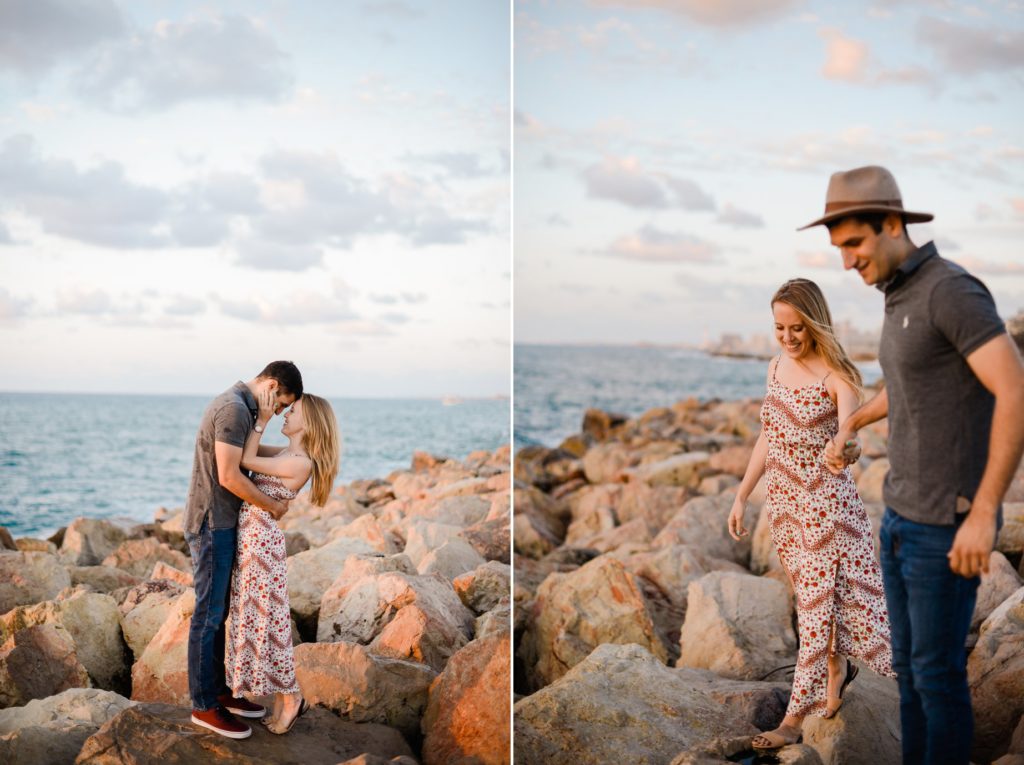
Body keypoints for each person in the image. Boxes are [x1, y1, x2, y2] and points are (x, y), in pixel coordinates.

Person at [803, 165, 1024, 765]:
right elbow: (905, 386)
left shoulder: (950, 290)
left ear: (892, 224)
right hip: (899, 518)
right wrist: (852, 422)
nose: (846, 261)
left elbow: (1014, 389)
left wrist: (983, 513)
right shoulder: (898, 295)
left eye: (855, 243)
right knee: (907, 670)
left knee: (937, 676)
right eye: (838, 248)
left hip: (944, 527)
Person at [727, 278, 895, 750]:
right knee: (812, 599)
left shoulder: (837, 379)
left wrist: (847, 448)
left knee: (816, 610)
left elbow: (850, 434)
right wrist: (742, 495)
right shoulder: (776, 366)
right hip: (783, 507)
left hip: (826, 511)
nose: (788, 337)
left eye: (796, 328)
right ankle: (835, 668)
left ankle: (793, 719)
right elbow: (769, 435)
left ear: (815, 324)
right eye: (780, 327)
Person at [183, 361, 302, 740]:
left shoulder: (246, 410)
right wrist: (272, 505)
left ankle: (220, 692)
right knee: (209, 614)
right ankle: (204, 706)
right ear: (270, 385)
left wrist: (298, 449)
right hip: (212, 522)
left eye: (285, 409)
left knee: (220, 613)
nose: (281, 411)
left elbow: (258, 457)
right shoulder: (234, 408)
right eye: (282, 403)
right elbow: (229, 475)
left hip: (224, 523)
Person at [226, 389, 340, 734]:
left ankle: (290, 696)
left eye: (293, 411)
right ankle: (281, 696)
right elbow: (247, 452)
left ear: (310, 424)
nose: (285, 414)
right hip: (252, 540)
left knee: (269, 623)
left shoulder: (299, 461)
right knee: (256, 617)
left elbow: (244, 460)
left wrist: (262, 418)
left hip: (261, 544)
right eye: (285, 409)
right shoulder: (289, 452)